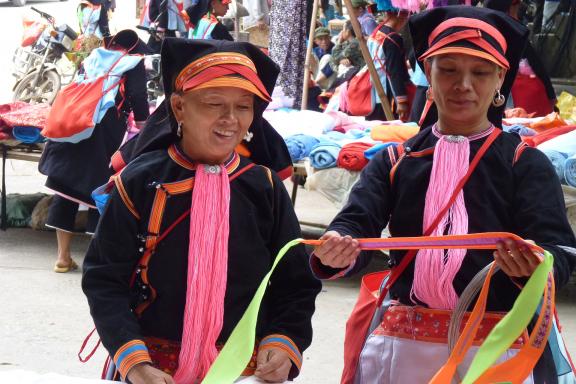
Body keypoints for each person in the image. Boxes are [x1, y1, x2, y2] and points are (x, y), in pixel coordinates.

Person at [312, 6, 576, 383]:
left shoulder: (524, 163)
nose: (463, 84)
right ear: (428, 75)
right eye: (448, 69)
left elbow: (559, 251)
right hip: (404, 350)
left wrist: (535, 268)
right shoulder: (394, 159)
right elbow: (355, 225)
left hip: (500, 351)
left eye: (480, 73)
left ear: (500, 79)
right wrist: (337, 249)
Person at [82, 38, 321, 384]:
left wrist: (284, 343)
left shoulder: (264, 188)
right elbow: (104, 279)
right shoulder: (139, 182)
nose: (230, 119)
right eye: (214, 104)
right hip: (151, 369)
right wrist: (135, 363)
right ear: (179, 107)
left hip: (241, 370)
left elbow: (295, 283)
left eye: (243, 106)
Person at [38, 30, 150, 273]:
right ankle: (94, 260)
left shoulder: (92, 58)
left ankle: (62, 257)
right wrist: (143, 124)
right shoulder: (132, 63)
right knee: (98, 187)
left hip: (75, 124)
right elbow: (138, 96)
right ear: (133, 49)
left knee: (66, 187)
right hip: (104, 130)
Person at [484, 0, 557, 117]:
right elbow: (536, 64)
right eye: (517, 6)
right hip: (516, 104)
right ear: (509, 9)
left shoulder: (483, 31)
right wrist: (551, 95)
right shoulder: (515, 32)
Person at [366, 2, 412, 121]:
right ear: (400, 15)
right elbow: (395, 71)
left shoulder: (376, 32)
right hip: (388, 95)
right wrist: (402, 100)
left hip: (374, 92)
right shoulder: (393, 38)